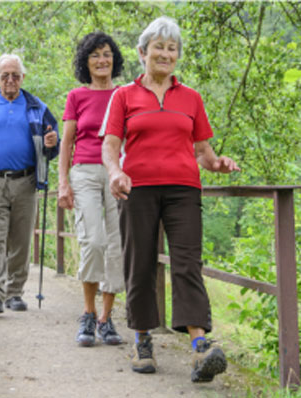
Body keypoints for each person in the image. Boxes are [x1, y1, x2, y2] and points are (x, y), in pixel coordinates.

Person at [101, 16, 240, 382]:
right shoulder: (124, 96)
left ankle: (199, 346)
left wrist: (218, 164)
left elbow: (204, 152)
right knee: (140, 264)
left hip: (183, 189)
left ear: (177, 55)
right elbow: (110, 146)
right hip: (138, 188)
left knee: (186, 263)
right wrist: (115, 172)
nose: (165, 54)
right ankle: (143, 339)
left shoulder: (191, 98)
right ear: (143, 52)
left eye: (172, 48)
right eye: (159, 47)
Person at [0, 53, 59, 314]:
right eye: (5, 75)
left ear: (22, 78)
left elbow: (53, 140)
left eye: (15, 75)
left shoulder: (36, 107)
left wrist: (52, 142)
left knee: (20, 239)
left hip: (26, 181)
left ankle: (14, 292)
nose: (10, 80)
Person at [58, 32, 124, 346]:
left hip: (117, 173)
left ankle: (106, 319)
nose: (102, 60)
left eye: (107, 54)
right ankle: (87, 313)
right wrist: (63, 183)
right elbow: (66, 143)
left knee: (116, 245)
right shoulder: (77, 96)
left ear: (115, 59)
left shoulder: (125, 94)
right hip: (83, 170)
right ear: (86, 62)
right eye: (95, 55)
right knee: (93, 241)